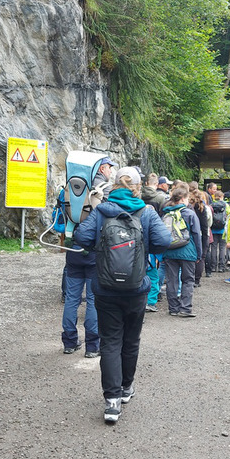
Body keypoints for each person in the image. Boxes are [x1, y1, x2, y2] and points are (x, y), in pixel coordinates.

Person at [74, 166, 171, 423]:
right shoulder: (146, 212)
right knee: (131, 340)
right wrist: (145, 247)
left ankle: (112, 402)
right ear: (138, 187)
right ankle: (126, 388)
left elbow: (81, 237)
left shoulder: (102, 211)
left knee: (109, 342)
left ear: (114, 185)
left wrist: (100, 247)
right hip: (136, 289)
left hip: (105, 289)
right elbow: (164, 241)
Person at [161, 183, 202, 317]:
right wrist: (199, 254)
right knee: (188, 280)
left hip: (169, 251)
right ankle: (185, 308)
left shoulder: (166, 213)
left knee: (171, 280)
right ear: (184, 199)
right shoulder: (190, 214)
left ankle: (173, 308)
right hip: (187, 251)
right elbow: (196, 235)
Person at [61, 247, 100, 358]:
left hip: (74, 254)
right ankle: (92, 346)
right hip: (94, 257)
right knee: (93, 300)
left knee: (71, 299)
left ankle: (69, 342)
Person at [209, 189, 228, 272]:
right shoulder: (226, 205)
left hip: (213, 230)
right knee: (222, 248)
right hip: (223, 230)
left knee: (213, 248)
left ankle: (213, 266)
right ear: (221, 197)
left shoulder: (211, 205)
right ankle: (221, 267)